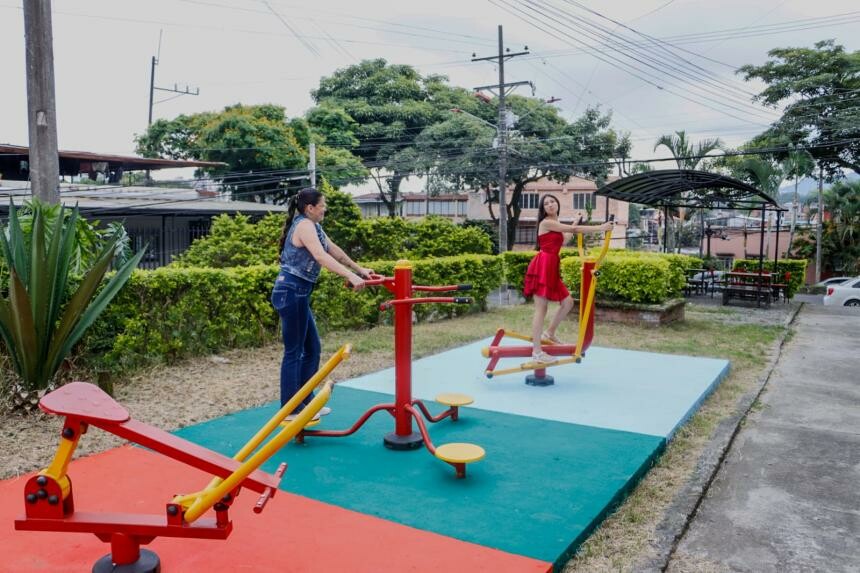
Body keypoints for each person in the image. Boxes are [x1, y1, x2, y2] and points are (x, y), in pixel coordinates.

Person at [272, 188, 373, 421]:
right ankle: (290, 409)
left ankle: (306, 402)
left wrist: (359, 270)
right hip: (291, 292)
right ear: (310, 208)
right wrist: (350, 276)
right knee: (294, 352)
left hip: (298, 293)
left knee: (313, 348)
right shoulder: (304, 225)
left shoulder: (313, 226)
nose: (325, 208)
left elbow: (333, 250)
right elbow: (320, 256)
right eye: (323, 205)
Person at [523, 194, 612, 364]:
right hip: (543, 265)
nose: (550, 205)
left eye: (552, 201)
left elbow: (567, 238)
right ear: (543, 209)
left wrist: (575, 222)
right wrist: (602, 227)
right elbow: (573, 231)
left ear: (557, 204)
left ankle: (549, 333)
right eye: (546, 203)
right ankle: (537, 353)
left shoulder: (555, 225)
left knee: (568, 302)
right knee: (541, 309)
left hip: (552, 266)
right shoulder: (546, 223)